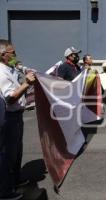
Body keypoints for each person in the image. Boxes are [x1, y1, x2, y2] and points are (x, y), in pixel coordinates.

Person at [0, 39, 36, 200]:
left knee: (17, 151)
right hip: (8, 117)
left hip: (17, 116)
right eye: (12, 52)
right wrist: (27, 83)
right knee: (7, 154)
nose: (15, 55)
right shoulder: (1, 72)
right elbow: (10, 98)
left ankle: (15, 180)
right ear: (2, 55)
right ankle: (5, 191)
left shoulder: (11, 68)